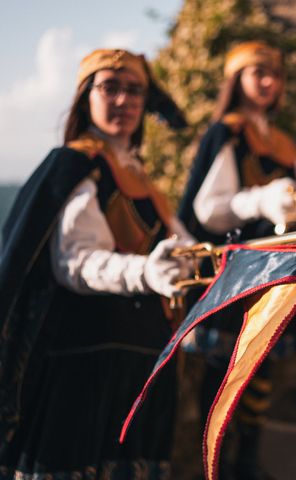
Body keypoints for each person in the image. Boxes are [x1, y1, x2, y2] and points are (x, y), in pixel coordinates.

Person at [0, 48, 192, 478]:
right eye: (110, 87)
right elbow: (75, 260)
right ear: (86, 95)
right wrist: (144, 272)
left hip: (139, 356)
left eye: (135, 91)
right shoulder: (75, 164)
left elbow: (182, 241)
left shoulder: (137, 173)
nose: (123, 101)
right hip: (85, 356)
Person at [179, 41, 296, 480]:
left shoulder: (284, 142)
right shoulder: (226, 133)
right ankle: (213, 467)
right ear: (237, 79)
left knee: (261, 368)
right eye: (259, 73)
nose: (269, 82)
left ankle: (247, 462)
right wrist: (259, 201)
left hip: (276, 270)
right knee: (221, 377)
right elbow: (207, 209)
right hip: (234, 274)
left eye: (275, 74)